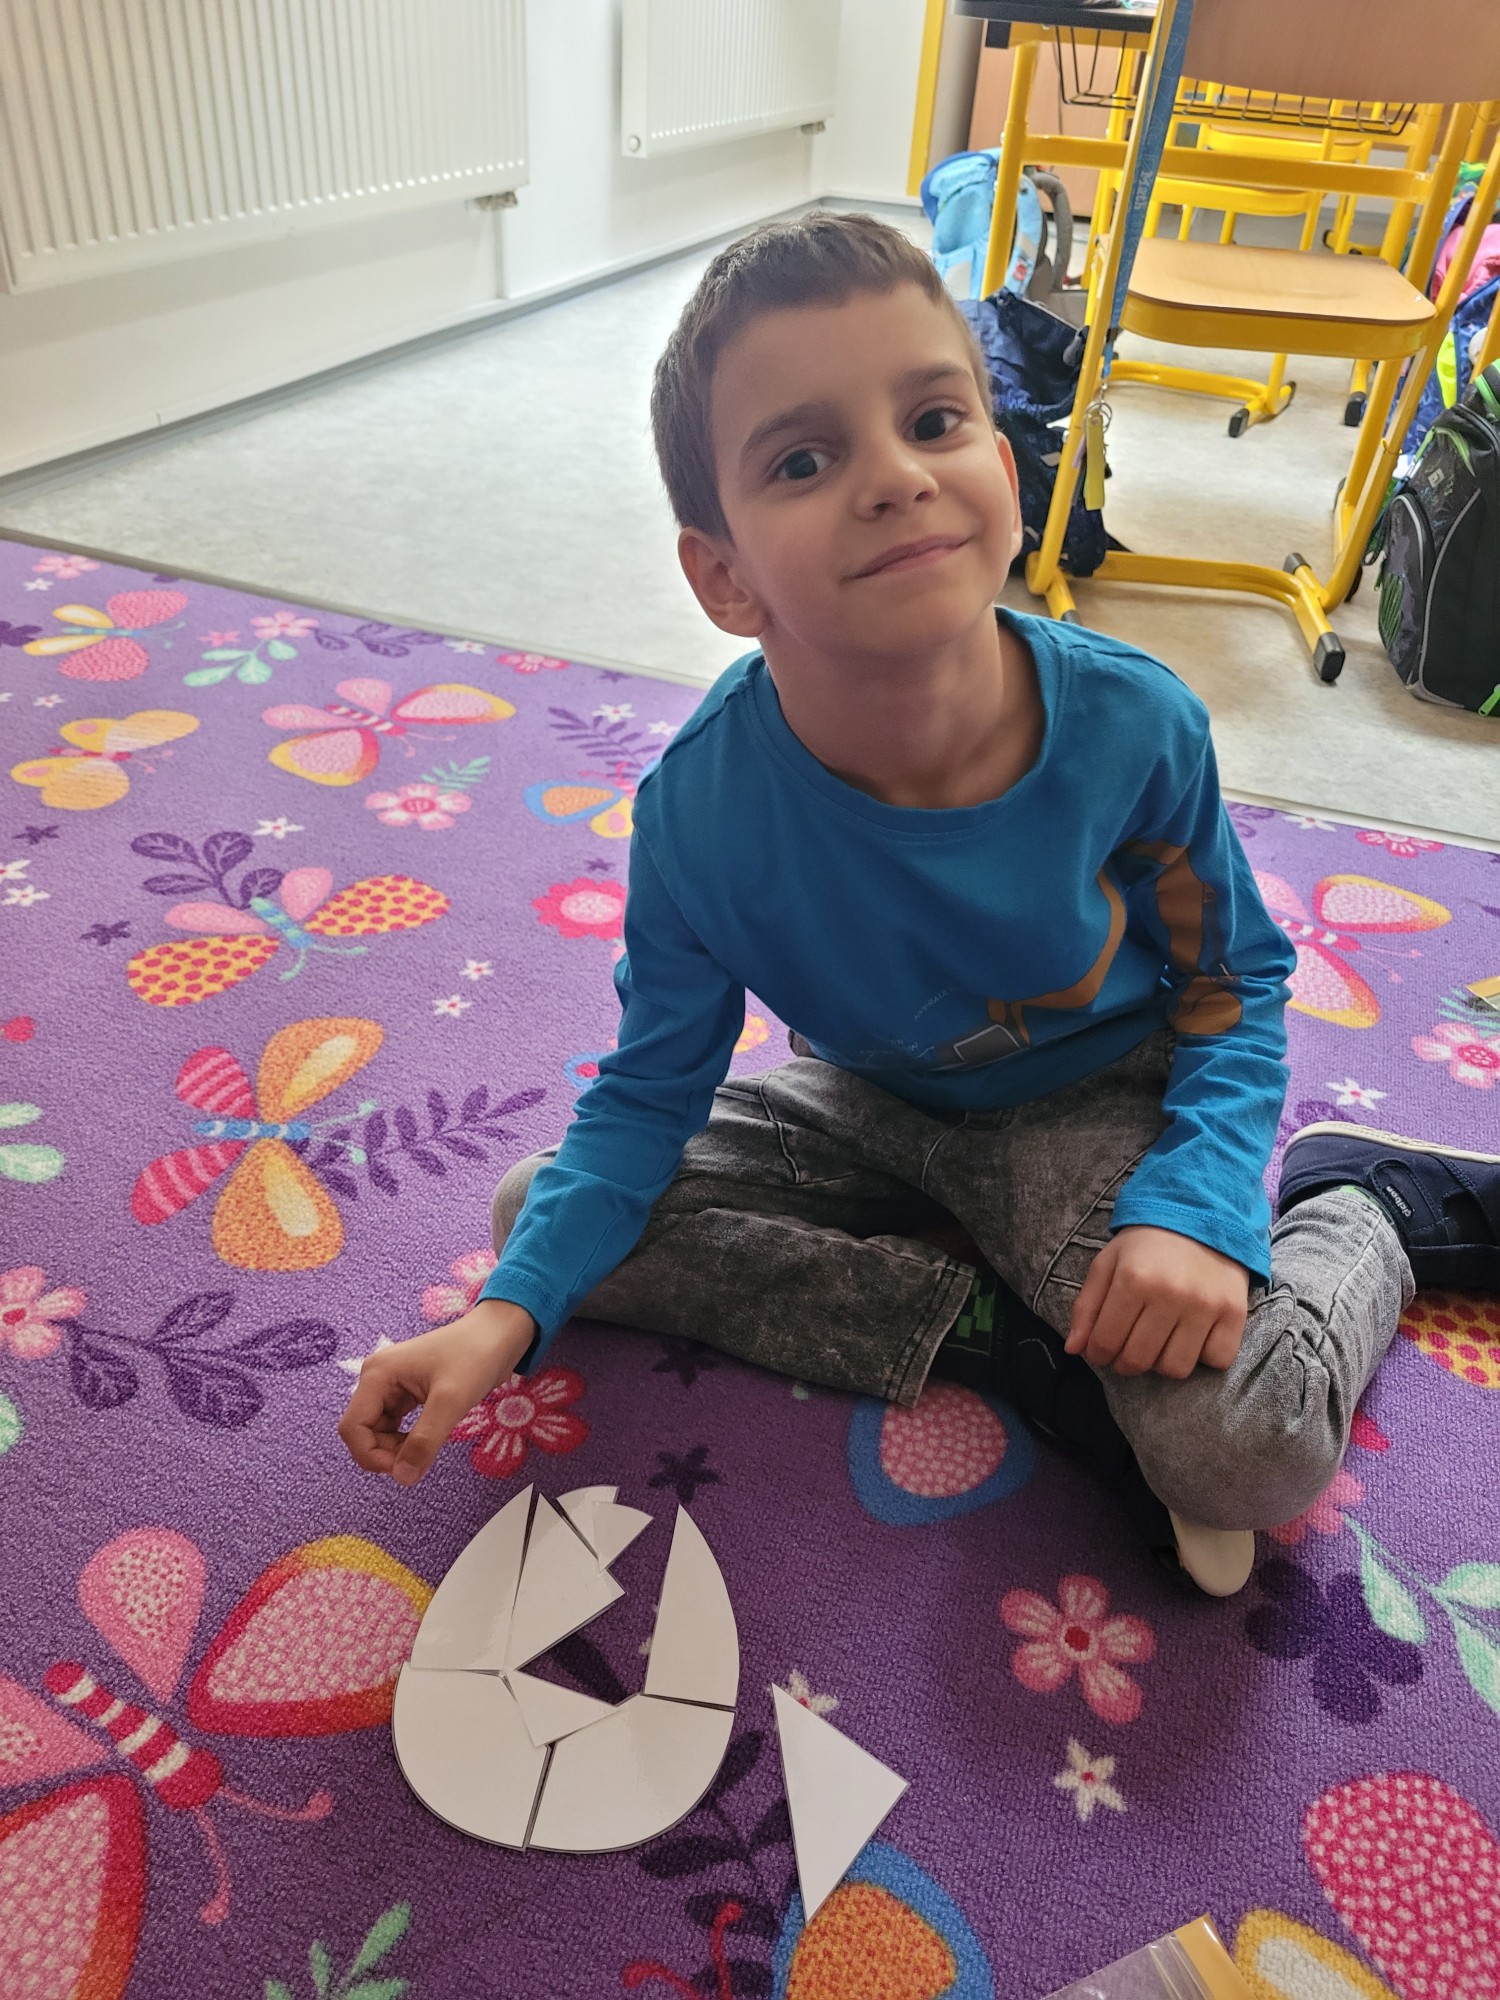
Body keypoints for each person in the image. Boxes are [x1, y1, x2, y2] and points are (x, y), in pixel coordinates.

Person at [340, 212, 1499, 1595]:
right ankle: (1005, 1343)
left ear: (1003, 472)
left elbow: (1233, 986)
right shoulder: (698, 813)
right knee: (537, 1218)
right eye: (805, 459)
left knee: (1244, 1449)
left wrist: (1196, 1202)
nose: (895, 478)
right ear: (724, 576)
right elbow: (648, 1094)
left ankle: (1367, 1201)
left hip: (1090, 1100)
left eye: (935, 421)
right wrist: (502, 1320)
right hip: (868, 1104)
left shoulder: (1134, 724)